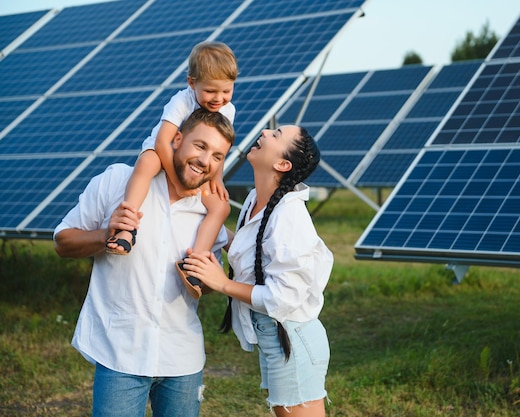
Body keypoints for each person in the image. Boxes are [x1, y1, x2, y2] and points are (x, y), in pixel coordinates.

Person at [53, 109, 235, 417]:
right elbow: (63, 242)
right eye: (200, 146)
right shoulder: (119, 182)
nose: (206, 161)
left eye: (218, 156)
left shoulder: (211, 213)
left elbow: (206, 286)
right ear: (177, 139)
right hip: (120, 354)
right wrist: (104, 236)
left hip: (183, 361)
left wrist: (211, 280)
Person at [180, 125, 333, 417]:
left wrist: (222, 283)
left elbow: (284, 297)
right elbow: (257, 254)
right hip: (276, 334)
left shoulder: (289, 216)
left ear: (282, 164)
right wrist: (217, 229)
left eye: (276, 134)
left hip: (293, 337)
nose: (264, 132)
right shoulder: (255, 200)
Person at [106, 41, 237, 273]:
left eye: (226, 91)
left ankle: (195, 261)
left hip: (196, 163)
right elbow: (162, 142)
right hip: (164, 152)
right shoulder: (181, 101)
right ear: (191, 83)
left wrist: (217, 178)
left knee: (220, 207)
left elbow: (220, 149)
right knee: (146, 163)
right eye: (210, 91)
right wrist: (177, 181)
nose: (219, 98)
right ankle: (127, 229)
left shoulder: (228, 110)